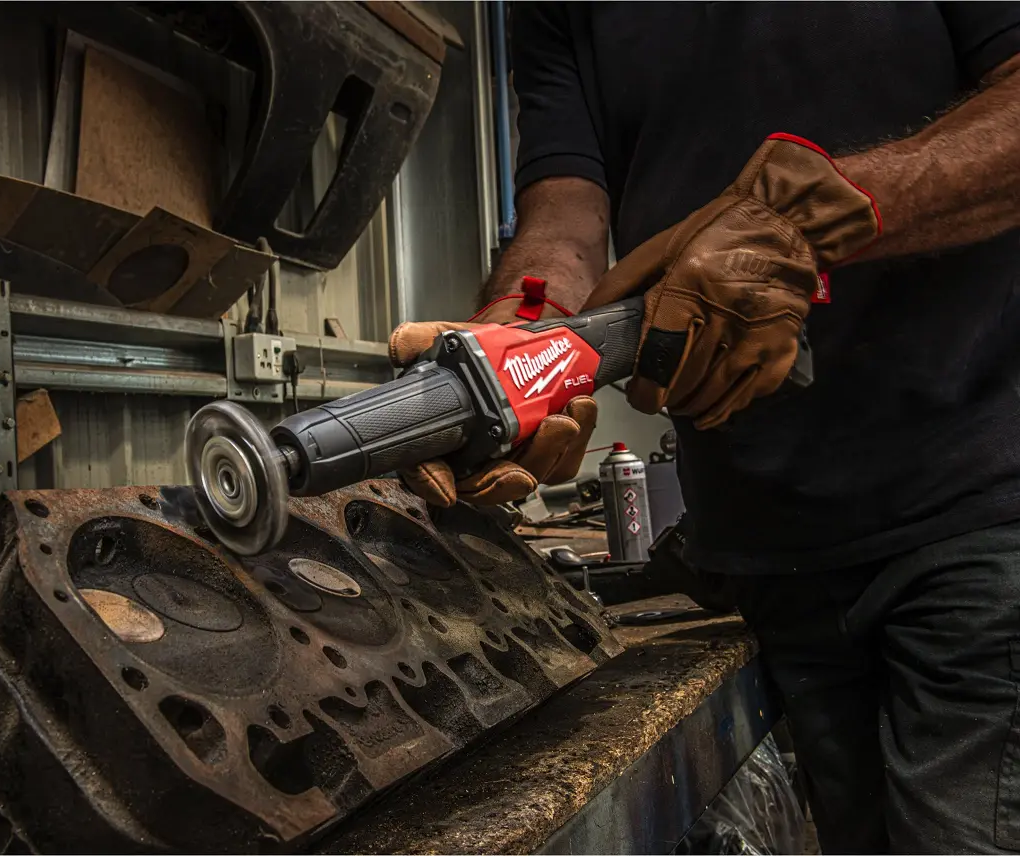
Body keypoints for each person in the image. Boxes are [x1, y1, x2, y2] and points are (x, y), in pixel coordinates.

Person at [389, 5, 1020, 852]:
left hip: (978, 501)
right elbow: (565, 213)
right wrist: (520, 335)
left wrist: (817, 215)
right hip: (771, 543)